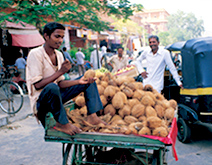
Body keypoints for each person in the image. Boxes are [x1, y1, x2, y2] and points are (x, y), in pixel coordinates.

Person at [26, 22, 106, 136]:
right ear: (46, 36)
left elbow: (61, 83)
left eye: (62, 37)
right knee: (52, 87)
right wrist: (60, 71)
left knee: (88, 80)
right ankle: (62, 123)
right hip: (42, 102)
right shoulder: (35, 54)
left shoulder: (58, 54)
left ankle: (92, 116)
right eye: (57, 36)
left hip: (56, 97)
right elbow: (37, 85)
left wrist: (79, 82)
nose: (60, 40)